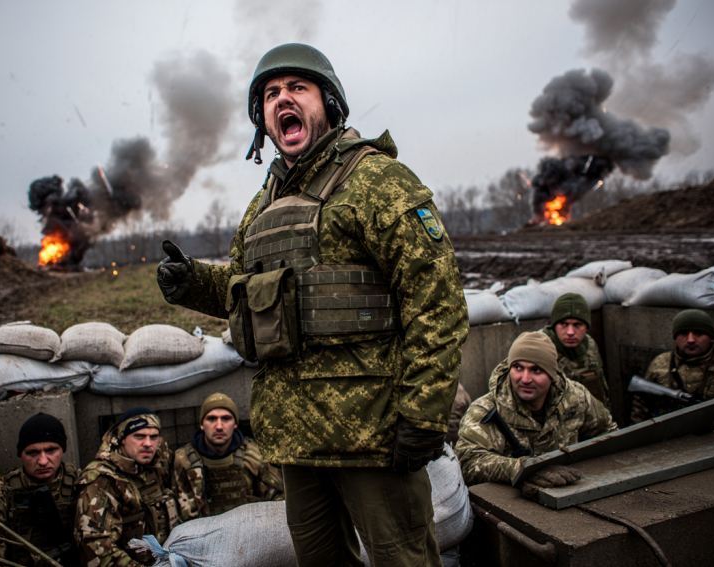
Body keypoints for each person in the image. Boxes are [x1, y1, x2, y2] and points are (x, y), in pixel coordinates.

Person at [157, 43, 468, 566]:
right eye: (271, 94)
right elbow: (247, 290)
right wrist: (193, 284)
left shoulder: (377, 181)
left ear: (329, 103)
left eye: (297, 88)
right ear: (264, 122)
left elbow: (437, 301)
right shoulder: (265, 203)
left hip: (373, 435)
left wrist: (423, 414)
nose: (283, 100)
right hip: (296, 441)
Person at [456, 332, 617, 488]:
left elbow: (607, 433)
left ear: (552, 374)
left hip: (572, 491)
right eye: (518, 367)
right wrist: (524, 468)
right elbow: (469, 463)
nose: (525, 379)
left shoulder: (576, 397)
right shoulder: (485, 410)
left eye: (536, 370)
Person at [0, 413, 80, 567]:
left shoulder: (81, 483)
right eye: (32, 453)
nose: (42, 461)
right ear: (21, 454)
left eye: (51, 450)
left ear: (63, 450)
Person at [74, 407, 180, 566]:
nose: (148, 444)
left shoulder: (160, 461)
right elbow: (97, 552)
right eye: (139, 436)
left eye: (154, 437)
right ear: (121, 438)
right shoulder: (100, 480)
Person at [174, 393, 283, 520]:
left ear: (235, 423)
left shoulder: (254, 455)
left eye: (226, 419)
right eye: (211, 419)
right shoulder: (183, 460)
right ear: (202, 425)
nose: (219, 426)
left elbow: (277, 503)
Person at [631, 309, 714, 423]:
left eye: (699, 333)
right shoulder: (660, 363)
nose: (691, 340)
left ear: (712, 338)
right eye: (684, 334)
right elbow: (641, 405)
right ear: (675, 337)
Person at [540, 293, 610, 410]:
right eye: (564, 324)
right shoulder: (540, 345)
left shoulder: (589, 344)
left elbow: (601, 384)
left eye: (578, 325)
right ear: (554, 325)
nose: (571, 332)